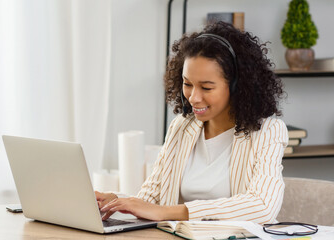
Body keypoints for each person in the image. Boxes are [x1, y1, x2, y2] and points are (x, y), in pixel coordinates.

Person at [97, 21, 288, 224]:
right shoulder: (181, 127)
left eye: (206, 88)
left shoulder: (267, 131)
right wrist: (119, 202)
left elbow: (262, 206)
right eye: (187, 84)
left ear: (236, 87)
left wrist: (169, 212)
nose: (194, 97)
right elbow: (151, 198)